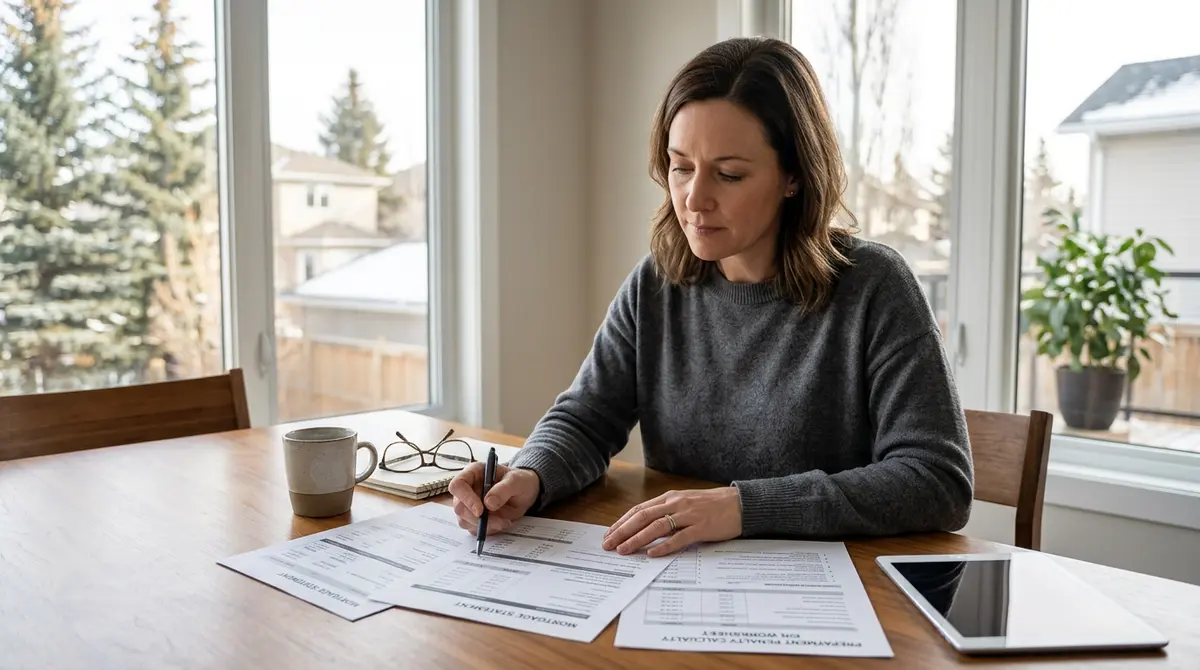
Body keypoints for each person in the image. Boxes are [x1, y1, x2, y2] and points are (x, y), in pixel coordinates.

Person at [448, 36, 974, 558]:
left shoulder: (874, 286)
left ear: (794, 176)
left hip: (827, 596)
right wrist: (530, 473)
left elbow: (937, 481)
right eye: (680, 166)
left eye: (729, 174)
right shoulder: (656, 284)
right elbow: (586, 418)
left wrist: (742, 508)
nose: (694, 199)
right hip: (675, 577)